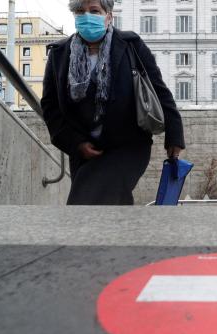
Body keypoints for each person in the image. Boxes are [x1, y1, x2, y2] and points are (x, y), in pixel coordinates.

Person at [41, 0, 185, 205]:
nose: (87, 16)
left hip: (128, 145)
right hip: (84, 151)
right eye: (81, 11)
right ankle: (124, 235)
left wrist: (174, 136)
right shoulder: (59, 54)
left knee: (84, 200)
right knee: (113, 203)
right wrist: (77, 143)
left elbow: (159, 90)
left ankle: (77, 237)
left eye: (94, 11)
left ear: (109, 16)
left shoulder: (130, 46)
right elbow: (50, 106)